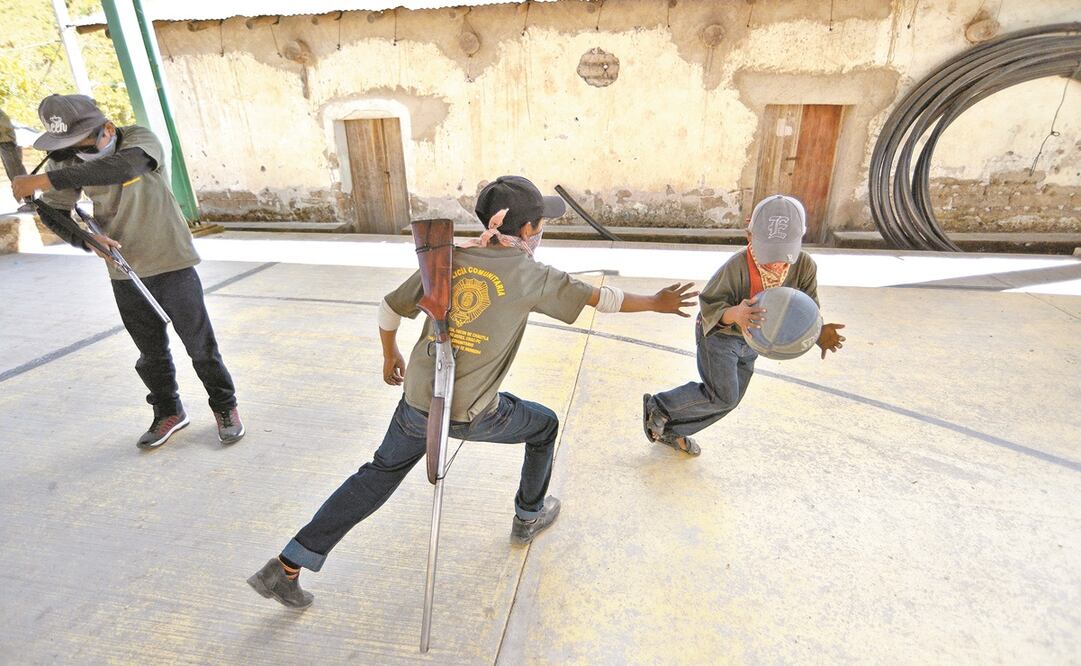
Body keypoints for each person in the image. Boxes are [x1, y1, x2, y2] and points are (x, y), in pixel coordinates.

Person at [248, 176, 698, 608]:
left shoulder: (445, 259)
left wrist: (391, 355)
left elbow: (389, 307)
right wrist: (657, 302)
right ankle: (528, 515)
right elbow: (605, 299)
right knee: (544, 427)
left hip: (419, 401)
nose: (542, 230)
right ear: (526, 230)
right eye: (541, 223)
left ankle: (287, 566)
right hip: (473, 413)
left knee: (377, 476)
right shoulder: (532, 275)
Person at [10, 94, 244, 449]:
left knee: (200, 346)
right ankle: (169, 411)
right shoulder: (65, 163)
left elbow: (124, 168)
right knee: (151, 354)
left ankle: (225, 406)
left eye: (83, 144)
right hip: (125, 269)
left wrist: (41, 182)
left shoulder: (138, 141)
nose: (77, 153)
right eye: (68, 147)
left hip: (172, 262)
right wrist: (85, 237)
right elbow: (54, 212)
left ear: (106, 129)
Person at [642, 194, 845, 456]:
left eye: (784, 255)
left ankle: (672, 431)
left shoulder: (804, 266)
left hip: (751, 344)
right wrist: (734, 314)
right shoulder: (736, 267)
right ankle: (659, 406)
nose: (776, 263)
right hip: (720, 336)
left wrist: (817, 330)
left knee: (731, 400)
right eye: (769, 253)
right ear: (749, 236)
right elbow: (710, 306)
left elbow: (806, 308)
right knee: (722, 396)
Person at [0, 106, 32, 213]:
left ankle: (31, 202)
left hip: (6, 141)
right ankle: (29, 201)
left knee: (16, 172)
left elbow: (4, 127)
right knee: (13, 172)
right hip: (4, 140)